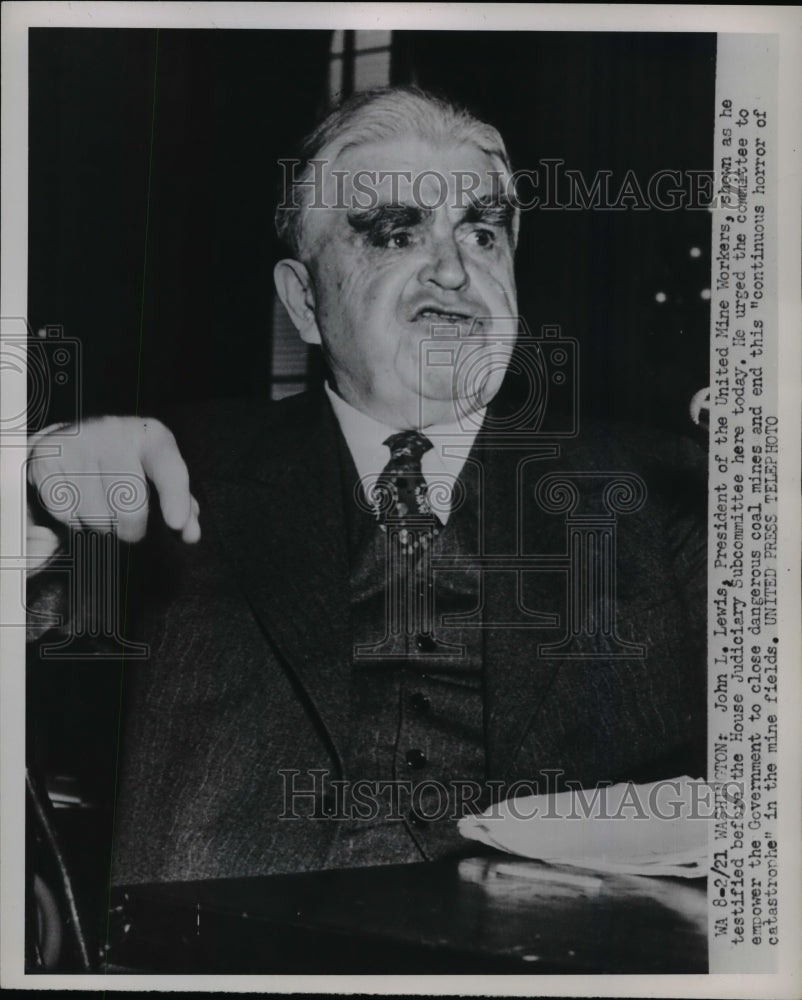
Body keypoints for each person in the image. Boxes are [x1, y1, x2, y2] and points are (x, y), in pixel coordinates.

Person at [27, 87, 707, 884]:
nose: (455, 270)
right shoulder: (173, 469)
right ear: (305, 302)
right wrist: (29, 498)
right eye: (394, 234)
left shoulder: (667, 487)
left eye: (482, 232)